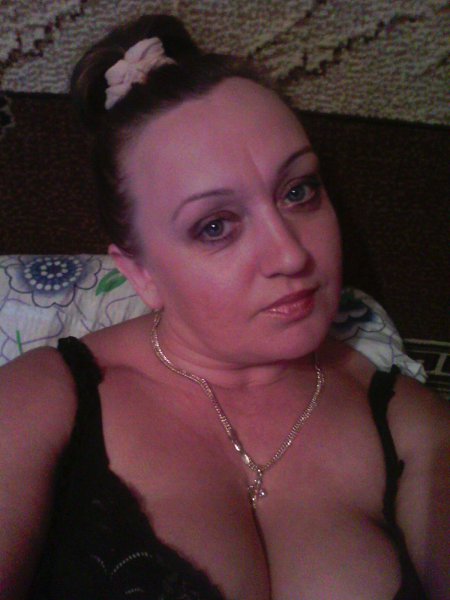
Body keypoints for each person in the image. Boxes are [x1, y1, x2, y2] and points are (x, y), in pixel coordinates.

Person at [0, 14, 448, 600]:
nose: (290, 254)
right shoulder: (41, 399)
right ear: (140, 273)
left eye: (299, 191)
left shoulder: (411, 421)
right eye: (214, 226)